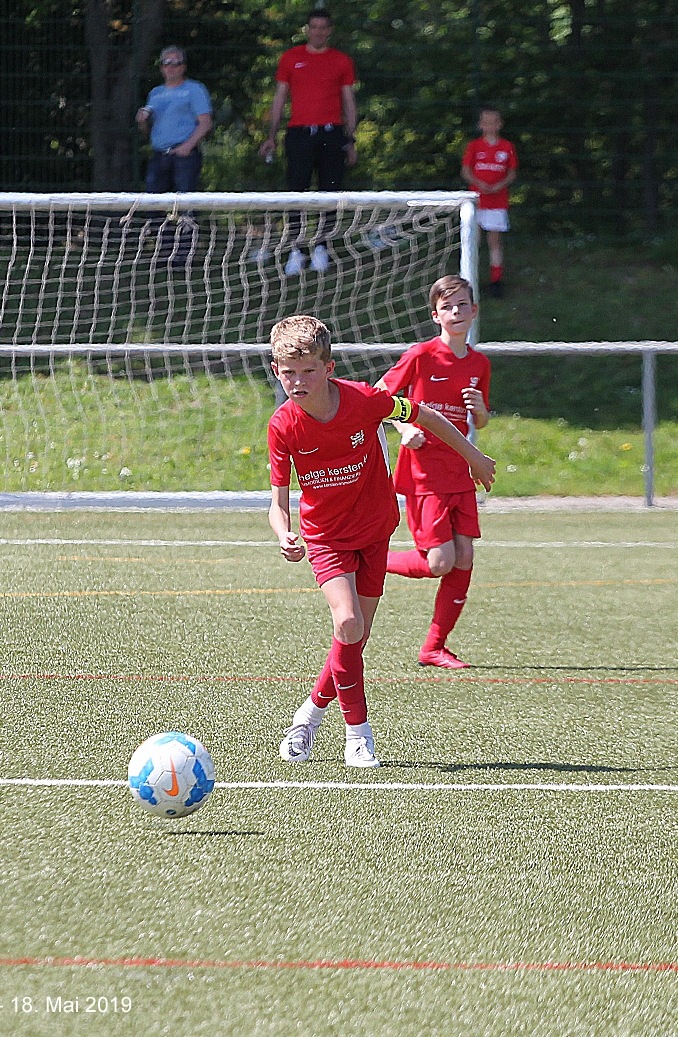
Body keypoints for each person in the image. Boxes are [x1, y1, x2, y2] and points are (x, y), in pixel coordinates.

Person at [268, 314, 495, 768]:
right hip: (326, 538)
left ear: (329, 368)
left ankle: (309, 716)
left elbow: (425, 414)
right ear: (276, 371)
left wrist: (473, 455)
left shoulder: (364, 400)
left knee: (353, 637)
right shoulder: (283, 425)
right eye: (289, 372)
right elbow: (277, 501)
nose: (298, 381)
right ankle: (358, 735)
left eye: (309, 370)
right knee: (348, 622)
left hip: (375, 530)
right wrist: (283, 533)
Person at [376, 275, 490, 668]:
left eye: (462, 305)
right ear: (435, 315)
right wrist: (404, 426)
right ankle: (371, 558)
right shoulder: (421, 355)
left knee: (464, 556)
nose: (456, 312)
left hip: (460, 471)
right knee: (439, 562)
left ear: (474, 311)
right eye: (447, 306)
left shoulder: (479, 363)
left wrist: (481, 411)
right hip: (424, 472)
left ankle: (434, 647)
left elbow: (480, 421)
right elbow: (380, 395)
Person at [257, 9, 357, 276]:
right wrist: (271, 136)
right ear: (307, 29)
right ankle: (296, 249)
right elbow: (280, 98)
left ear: (330, 31)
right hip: (299, 133)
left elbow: (348, 100)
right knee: (297, 191)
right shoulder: (291, 58)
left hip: (331, 133)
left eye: (323, 27)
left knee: (329, 192)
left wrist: (350, 139)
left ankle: (322, 248)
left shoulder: (341, 61)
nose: (318, 32)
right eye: (314, 27)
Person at [137, 46, 212, 194]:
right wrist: (142, 121)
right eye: (166, 63)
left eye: (175, 63)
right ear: (161, 67)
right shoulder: (155, 93)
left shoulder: (194, 89)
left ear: (183, 67)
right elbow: (148, 130)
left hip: (184, 158)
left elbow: (205, 123)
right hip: (159, 156)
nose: (170, 67)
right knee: (154, 204)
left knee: (184, 204)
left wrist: (186, 147)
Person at [461, 108, 517, 297]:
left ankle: (496, 281)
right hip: (477, 200)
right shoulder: (474, 146)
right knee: (473, 239)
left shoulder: (507, 147)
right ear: (480, 125)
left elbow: (512, 173)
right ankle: (470, 280)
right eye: (486, 122)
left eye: (494, 122)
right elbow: (466, 171)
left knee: (494, 241)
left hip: (497, 201)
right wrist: (479, 184)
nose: (490, 126)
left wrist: (499, 185)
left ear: (499, 124)